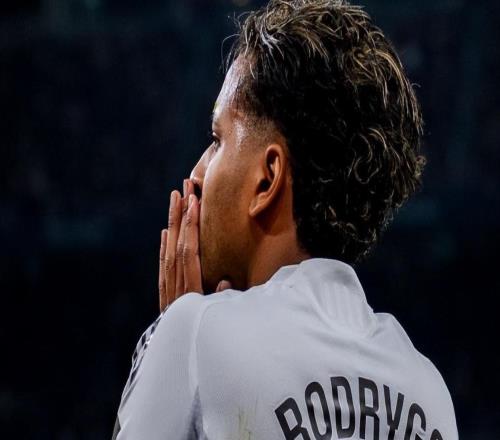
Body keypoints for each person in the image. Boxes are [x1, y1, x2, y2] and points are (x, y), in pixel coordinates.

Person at [112, 0, 458, 438]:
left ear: (267, 178)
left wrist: (171, 340)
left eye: (217, 140)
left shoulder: (196, 334)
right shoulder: (429, 392)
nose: (197, 174)